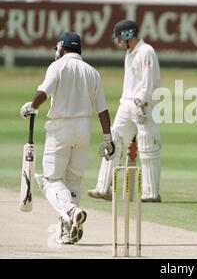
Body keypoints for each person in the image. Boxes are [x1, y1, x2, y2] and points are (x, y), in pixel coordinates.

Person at [19, 32, 115, 244]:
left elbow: (44, 91)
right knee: (72, 181)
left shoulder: (58, 66)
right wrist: (107, 138)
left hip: (61, 127)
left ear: (61, 48)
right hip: (84, 129)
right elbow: (103, 110)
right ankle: (66, 231)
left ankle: (71, 211)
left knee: (50, 180)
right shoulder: (92, 72)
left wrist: (31, 107)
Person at [88, 20, 162, 203]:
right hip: (126, 103)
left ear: (129, 35)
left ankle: (151, 192)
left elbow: (148, 81)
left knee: (147, 146)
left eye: (120, 38)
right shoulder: (130, 53)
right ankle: (103, 187)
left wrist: (142, 103)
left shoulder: (146, 52)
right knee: (113, 142)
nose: (118, 42)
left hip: (143, 105)